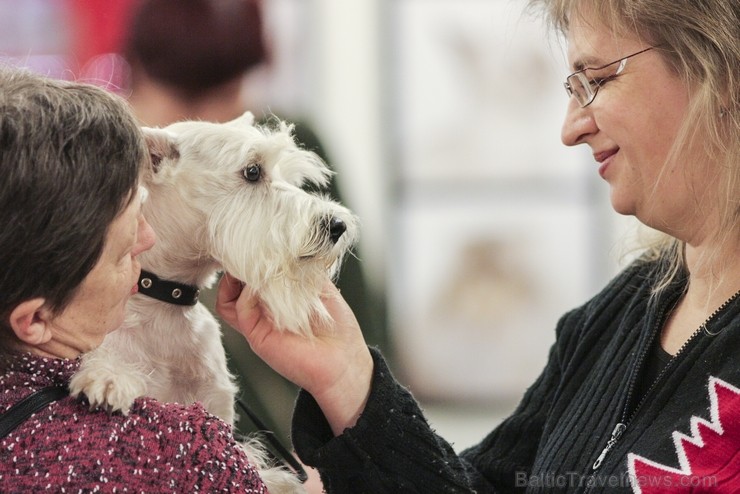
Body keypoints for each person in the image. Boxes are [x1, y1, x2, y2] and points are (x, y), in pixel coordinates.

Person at [214, 0, 740, 492]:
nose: (572, 128)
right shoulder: (612, 320)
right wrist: (350, 378)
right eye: (573, 87)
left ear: (717, 68)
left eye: (599, 80)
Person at [120, 0, 387, 450]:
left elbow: (357, 309)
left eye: (227, 92)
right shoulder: (99, 176)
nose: (211, 120)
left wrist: (366, 430)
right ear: (138, 74)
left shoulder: (288, 140)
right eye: (187, 100)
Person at [0, 67, 268, 492]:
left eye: (141, 211)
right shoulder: (181, 451)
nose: (148, 240)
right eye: (122, 250)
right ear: (34, 319)